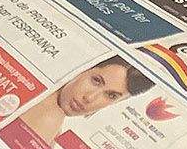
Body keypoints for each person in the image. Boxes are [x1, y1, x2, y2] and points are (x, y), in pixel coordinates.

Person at [16, 58, 148, 142]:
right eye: (96, 80)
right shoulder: (50, 116)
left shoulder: (49, 106)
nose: (90, 98)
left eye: (111, 95)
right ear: (83, 68)